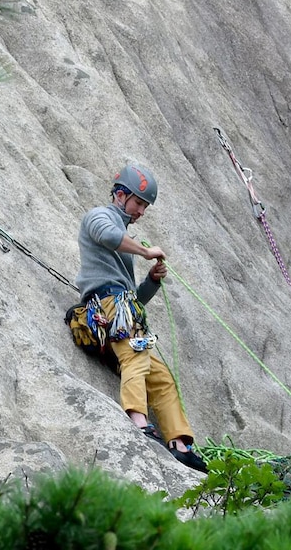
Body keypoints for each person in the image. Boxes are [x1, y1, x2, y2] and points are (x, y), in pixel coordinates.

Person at [74, 162, 208, 473]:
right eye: (138, 203)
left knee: (161, 378)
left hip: (125, 308)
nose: (141, 212)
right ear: (120, 195)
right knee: (134, 359)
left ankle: (180, 444)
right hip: (107, 304)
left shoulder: (124, 241)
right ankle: (137, 423)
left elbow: (137, 299)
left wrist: (153, 280)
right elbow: (105, 235)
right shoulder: (101, 217)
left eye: (145, 206)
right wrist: (145, 252)